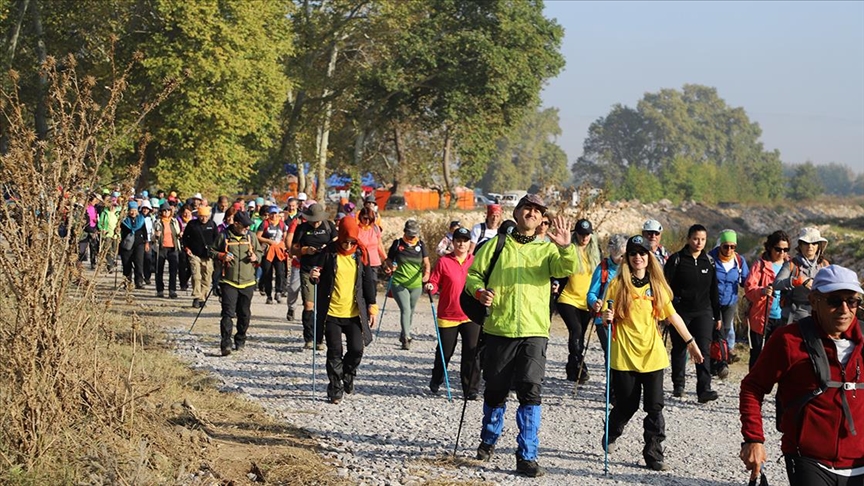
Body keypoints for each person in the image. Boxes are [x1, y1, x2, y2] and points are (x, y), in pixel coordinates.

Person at [465, 194, 578, 478]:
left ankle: (527, 455)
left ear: (542, 220)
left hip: (534, 331)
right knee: (495, 390)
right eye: (527, 207)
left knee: (531, 391)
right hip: (499, 328)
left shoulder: (548, 251)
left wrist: (566, 248)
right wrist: (479, 292)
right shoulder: (495, 245)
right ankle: (488, 439)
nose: (531, 212)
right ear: (516, 213)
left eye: (537, 211)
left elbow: (567, 268)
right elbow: (473, 276)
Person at [740, 265, 864, 486]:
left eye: (852, 301)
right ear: (814, 300)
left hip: (859, 461)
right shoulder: (788, 340)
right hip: (808, 458)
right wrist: (753, 439)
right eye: (835, 301)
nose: (845, 309)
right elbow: (753, 387)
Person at [601, 235, 705, 472]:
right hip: (625, 355)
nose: (638, 257)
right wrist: (606, 318)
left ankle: (653, 454)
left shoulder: (657, 286)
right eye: (633, 253)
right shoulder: (617, 285)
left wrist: (690, 342)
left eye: (642, 253)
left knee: (654, 407)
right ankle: (611, 432)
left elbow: (672, 316)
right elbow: (607, 314)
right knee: (627, 406)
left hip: (653, 355)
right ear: (627, 258)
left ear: (649, 257)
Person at [309, 216, 378, 404]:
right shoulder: (328, 253)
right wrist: (314, 276)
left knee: (357, 349)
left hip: (354, 313)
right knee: (334, 351)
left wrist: (372, 305)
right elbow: (316, 274)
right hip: (332, 312)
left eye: (352, 241)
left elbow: (368, 282)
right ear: (339, 237)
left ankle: (348, 374)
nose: (348, 245)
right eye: (344, 241)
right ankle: (335, 388)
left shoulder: (361, 254)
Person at [664, 224, 721, 403]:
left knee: (703, 348)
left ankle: (704, 389)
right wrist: (666, 312)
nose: (699, 243)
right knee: (680, 348)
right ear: (688, 239)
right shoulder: (676, 260)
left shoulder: (709, 262)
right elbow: (666, 287)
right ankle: (678, 385)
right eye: (696, 238)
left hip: (703, 311)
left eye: (703, 239)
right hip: (680, 312)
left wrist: (717, 316)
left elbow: (714, 291)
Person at [424, 227, 480, 399]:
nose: (461, 244)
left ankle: (470, 390)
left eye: (465, 240)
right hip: (448, 314)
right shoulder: (444, 262)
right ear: (453, 243)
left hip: (471, 315)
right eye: (458, 240)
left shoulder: (475, 261)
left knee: (472, 352)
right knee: (445, 352)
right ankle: (437, 378)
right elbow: (434, 281)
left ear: (470, 242)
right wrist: (431, 287)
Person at [211, 211, 262, 356]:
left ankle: (240, 339)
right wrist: (222, 256)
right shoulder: (224, 236)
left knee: (244, 314)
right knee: (228, 314)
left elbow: (260, 252)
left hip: (248, 282)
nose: (247, 228)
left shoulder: (251, 237)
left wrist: (255, 257)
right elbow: (211, 251)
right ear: (236, 223)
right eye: (245, 226)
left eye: (248, 226)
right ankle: (226, 343)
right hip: (228, 281)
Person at [555, 218, 600, 383]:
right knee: (576, 330)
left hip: (587, 301)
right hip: (568, 298)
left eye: (587, 234)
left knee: (580, 335)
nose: (584, 237)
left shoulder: (595, 252)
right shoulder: (570, 249)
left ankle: (572, 367)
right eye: (581, 234)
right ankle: (579, 367)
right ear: (576, 234)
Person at [292, 203, 337, 349]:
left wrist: (327, 248)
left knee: (324, 305)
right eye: (313, 220)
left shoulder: (329, 226)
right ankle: (309, 337)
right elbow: (293, 250)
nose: (316, 222)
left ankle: (320, 339)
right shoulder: (302, 228)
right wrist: (306, 250)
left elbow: (338, 245)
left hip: (326, 270)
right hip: (307, 269)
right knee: (308, 304)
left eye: (318, 219)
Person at [743, 230, 791, 369]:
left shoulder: (791, 265)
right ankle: (752, 386)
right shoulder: (760, 265)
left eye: (785, 249)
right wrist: (762, 291)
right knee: (757, 354)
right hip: (762, 317)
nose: (782, 253)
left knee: (780, 354)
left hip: (784, 316)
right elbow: (749, 289)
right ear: (770, 247)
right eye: (778, 249)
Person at [707, 229, 749, 378]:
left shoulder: (739, 260)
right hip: (712, 302)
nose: (729, 250)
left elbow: (746, 281)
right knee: (713, 331)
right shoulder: (710, 258)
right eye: (726, 246)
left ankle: (721, 362)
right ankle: (714, 361)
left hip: (730, 301)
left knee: (723, 330)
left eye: (733, 247)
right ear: (720, 245)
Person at [385, 220, 431, 350]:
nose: (412, 237)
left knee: (411, 310)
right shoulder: (398, 243)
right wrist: (389, 267)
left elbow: (426, 262)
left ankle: (404, 332)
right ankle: (406, 338)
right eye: (410, 234)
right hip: (399, 282)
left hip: (416, 284)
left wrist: (427, 273)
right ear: (405, 232)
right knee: (405, 309)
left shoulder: (421, 245)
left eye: (414, 235)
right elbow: (389, 260)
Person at [586, 234, 629, 363]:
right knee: (610, 352)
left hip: (622, 317)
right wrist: (595, 303)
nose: (623, 259)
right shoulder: (603, 269)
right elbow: (591, 294)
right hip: (603, 319)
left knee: (622, 353)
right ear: (612, 252)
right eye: (619, 256)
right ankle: (610, 381)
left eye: (625, 256)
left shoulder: (629, 269)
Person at [775, 227, 830, 324]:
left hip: (818, 316)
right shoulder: (791, 264)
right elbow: (776, 284)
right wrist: (797, 281)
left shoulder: (824, 265)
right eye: (806, 243)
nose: (810, 246)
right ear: (800, 245)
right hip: (792, 318)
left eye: (814, 243)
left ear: (818, 246)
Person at [182, 205, 218, 308]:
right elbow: (185, 238)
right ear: (198, 215)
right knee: (196, 276)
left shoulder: (212, 224)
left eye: (206, 216)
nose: (204, 218)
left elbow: (217, 239)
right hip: (194, 254)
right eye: (202, 216)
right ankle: (196, 297)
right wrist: (187, 248)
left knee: (207, 277)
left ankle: (203, 297)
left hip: (208, 256)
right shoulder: (192, 224)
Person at [256, 205, 288, 305]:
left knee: (280, 272)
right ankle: (269, 295)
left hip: (278, 251)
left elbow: (285, 237)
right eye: (272, 214)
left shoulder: (282, 224)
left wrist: (285, 246)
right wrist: (268, 241)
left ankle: (278, 292)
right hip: (267, 251)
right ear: (269, 214)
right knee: (267, 273)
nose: (274, 216)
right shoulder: (264, 223)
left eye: (276, 214)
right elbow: (258, 236)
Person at [152, 202, 181, 298]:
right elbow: (151, 237)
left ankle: (172, 290)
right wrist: (155, 236)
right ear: (161, 212)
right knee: (159, 270)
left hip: (173, 248)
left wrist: (180, 234)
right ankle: (160, 290)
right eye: (164, 210)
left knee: (173, 270)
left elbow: (177, 232)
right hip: (161, 248)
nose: (166, 212)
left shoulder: (174, 221)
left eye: (168, 210)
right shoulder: (157, 222)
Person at [119, 201, 148, 289]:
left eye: (135, 210)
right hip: (126, 245)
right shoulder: (124, 220)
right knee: (126, 264)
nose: (133, 212)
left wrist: (146, 242)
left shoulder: (141, 219)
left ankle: (139, 282)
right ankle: (127, 282)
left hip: (139, 244)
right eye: (131, 210)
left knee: (139, 263)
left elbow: (145, 231)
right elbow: (119, 232)